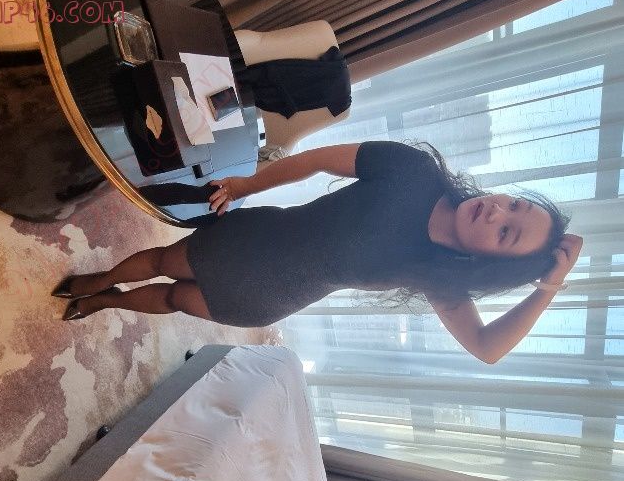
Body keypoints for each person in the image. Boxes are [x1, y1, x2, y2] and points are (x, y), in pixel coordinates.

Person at [52, 141, 583, 364]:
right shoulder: (414, 170)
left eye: (507, 233)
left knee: (174, 300)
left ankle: (105, 302)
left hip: (270, 296)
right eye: (513, 204)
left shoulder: (437, 275)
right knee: (160, 262)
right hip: (256, 238)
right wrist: (244, 185)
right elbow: (320, 160)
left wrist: (549, 287)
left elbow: (487, 348)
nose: (496, 211)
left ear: (491, 262)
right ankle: (99, 280)